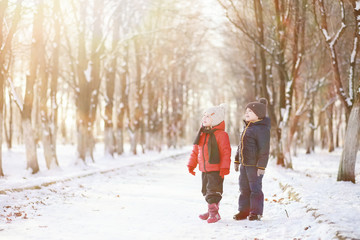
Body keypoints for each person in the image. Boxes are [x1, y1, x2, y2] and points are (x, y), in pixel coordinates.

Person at [187, 104, 231, 223]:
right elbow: (195, 151)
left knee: (213, 191)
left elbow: (226, 152)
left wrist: (225, 167)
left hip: (216, 169)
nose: (204, 118)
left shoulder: (222, 135)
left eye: (208, 116)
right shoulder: (201, 134)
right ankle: (211, 209)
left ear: (216, 120)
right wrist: (191, 164)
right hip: (204, 169)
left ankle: (214, 213)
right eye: (204, 116)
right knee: (206, 191)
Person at [233, 98, 271, 221]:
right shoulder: (247, 127)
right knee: (243, 188)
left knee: (255, 189)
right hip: (244, 165)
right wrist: (237, 160)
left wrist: (261, 166)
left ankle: (256, 212)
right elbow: (241, 146)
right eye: (246, 111)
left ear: (259, 113)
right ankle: (243, 211)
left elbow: (264, 149)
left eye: (250, 111)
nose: (247, 113)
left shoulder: (262, 129)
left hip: (254, 166)